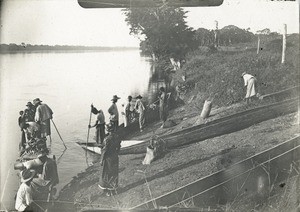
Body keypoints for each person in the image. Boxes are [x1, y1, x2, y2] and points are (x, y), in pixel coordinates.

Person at [98, 123, 121, 196]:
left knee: (106, 173)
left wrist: (101, 160)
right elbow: (119, 147)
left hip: (108, 158)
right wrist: (116, 153)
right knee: (114, 172)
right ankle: (113, 189)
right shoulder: (117, 136)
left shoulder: (107, 139)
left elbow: (104, 151)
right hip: (115, 157)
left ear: (107, 130)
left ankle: (107, 190)